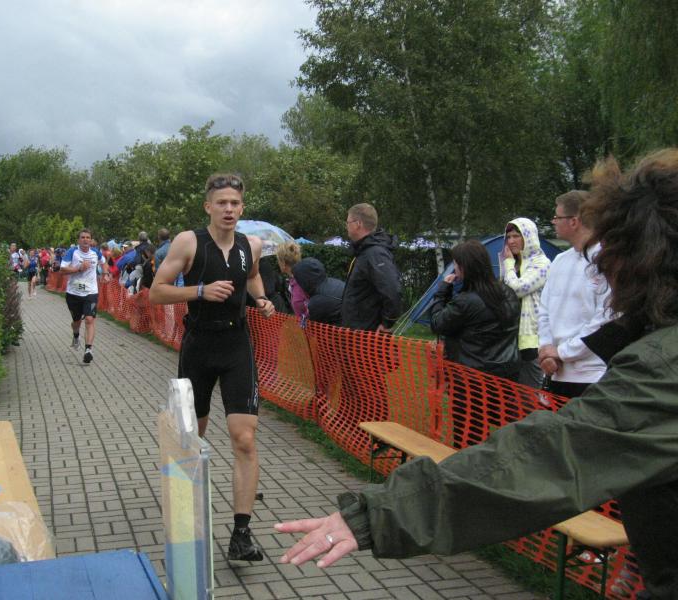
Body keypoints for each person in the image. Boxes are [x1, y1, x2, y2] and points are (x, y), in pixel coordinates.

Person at [275, 148, 678, 599]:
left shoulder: (663, 367)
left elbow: (552, 455)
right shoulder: (648, 344)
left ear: (646, 258)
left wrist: (380, 514)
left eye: (612, 250)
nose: (602, 267)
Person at [149, 173, 275, 562]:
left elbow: (252, 276)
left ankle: (241, 533)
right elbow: (156, 292)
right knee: (192, 437)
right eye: (221, 203)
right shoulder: (189, 242)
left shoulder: (252, 245)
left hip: (237, 345)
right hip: (199, 347)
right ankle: (185, 518)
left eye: (235, 203)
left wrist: (261, 300)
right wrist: (200, 291)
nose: (229, 209)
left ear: (242, 207)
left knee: (244, 438)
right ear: (208, 207)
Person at [429, 240, 520, 445]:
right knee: (503, 432)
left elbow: (437, 323)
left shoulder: (466, 301)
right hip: (506, 375)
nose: (455, 269)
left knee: (469, 436)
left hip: (471, 380)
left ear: (465, 267)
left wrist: (443, 290)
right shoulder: (508, 293)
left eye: (456, 264)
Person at [538, 191, 612, 398]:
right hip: (555, 372)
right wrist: (546, 349)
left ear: (574, 221)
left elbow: (605, 318)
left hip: (593, 375)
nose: (553, 222)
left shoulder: (607, 259)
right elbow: (544, 311)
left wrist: (563, 352)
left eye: (557, 217)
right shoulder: (559, 260)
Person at [499, 218, 551, 388]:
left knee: (530, 393)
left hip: (532, 339)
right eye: (508, 237)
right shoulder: (514, 264)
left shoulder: (541, 263)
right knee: (510, 394)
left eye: (516, 236)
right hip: (510, 338)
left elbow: (517, 289)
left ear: (529, 237)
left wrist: (508, 264)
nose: (511, 241)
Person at [341, 203, 401, 332]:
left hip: (367, 335)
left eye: (348, 222)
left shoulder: (375, 253)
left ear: (358, 224)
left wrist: (387, 323)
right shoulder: (364, 251)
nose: (346, 226)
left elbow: (392, 290)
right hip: (357, 332)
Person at [60, 229, 110, 364]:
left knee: (89, 319)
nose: (85, 239)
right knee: (76, 322)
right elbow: (62, 270)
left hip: (91, 292)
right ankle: (76, 335)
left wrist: (105, 273)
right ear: (78, 240)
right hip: (73, 293)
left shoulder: (95, 252)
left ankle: (88, 350)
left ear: (91, 240)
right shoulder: (72, 252)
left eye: (88, 237)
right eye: (83, 237)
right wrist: (78, 268)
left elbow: (103, 262)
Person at [292, 257, 345, 326]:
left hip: (344, 329)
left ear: (303, 280)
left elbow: (315, 327)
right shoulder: (333, 281)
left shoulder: (316, 302)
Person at [276, 241, 308, 318]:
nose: (278, 263)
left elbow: (303, 316)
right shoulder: (303, 276)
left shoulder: (297, 289)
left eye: (278, 260)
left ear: (283, 263)